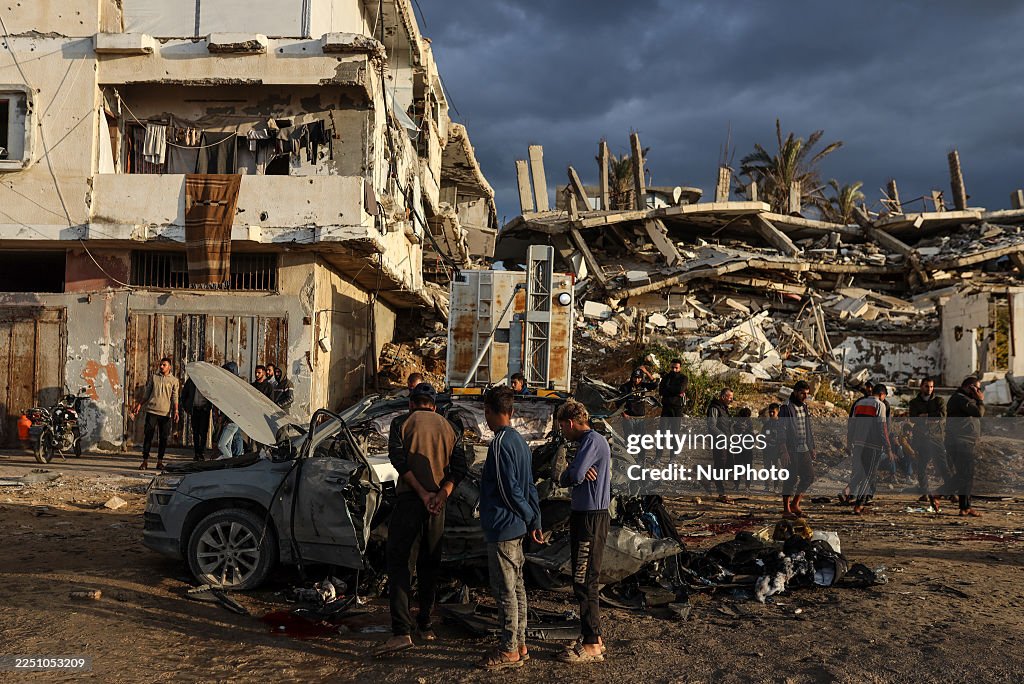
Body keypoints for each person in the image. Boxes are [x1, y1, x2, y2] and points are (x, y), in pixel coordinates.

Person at [375, 383, 468, 658]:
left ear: (411, 403)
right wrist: (439, 496)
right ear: (434, 405)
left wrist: (423, 494)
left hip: (410, 503)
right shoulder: (450, 427)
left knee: (401, 565)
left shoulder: (401, 422)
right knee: (430, 566)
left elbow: (398, 462)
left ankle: (401, 632)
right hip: (437, 508)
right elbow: (459, 468)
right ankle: (426, 624)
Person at [476, 387, 544, 670]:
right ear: (512, 411)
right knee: (517, 587)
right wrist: (535, 519)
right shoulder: (520, 442)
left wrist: (530, 517)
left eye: (487, 413)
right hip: (515, 527)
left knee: (505, 589)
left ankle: (509, 649)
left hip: (504, 526)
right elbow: (529, 486)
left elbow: (509, 490)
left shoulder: (501, 443)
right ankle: (520, 643)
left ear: (489, 412)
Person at [556, 399, 610, 665]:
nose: (562, 433)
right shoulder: (589, 443)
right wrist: (573, 474)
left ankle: (590, 643)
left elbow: (572, 476)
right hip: (588, 516)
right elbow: (571, 476)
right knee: (586, 577)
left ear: (568, 423)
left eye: (562, 428)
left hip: (590, 518)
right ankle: (595, 638)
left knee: (584, 579)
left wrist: (572, 472)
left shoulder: (591, 441)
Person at [847, 384, 894, 516]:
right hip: (873, 446)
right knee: (870, 475)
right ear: (882, 394)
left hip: (858, 445)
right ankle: (859, 505)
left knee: (860, 473)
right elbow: (882, 429)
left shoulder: (859, 403)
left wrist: (848, 442)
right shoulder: (881, 405)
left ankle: (848, 494)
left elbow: (852, 425)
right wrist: (889, 448)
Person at [132, 357, 179, 471]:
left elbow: (175, 397)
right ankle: (145, 461)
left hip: (165, 413)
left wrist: (176, 411)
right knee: (148, 436)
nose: (161, 367)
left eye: (164, 365)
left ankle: (160, 461)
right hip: (152, 411)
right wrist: (139, 405)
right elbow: (147, 393)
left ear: (169, 367)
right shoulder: (154, 377)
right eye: (161, 365)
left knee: (163, 438)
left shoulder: (174, 380)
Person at [908, 376, 948, 511]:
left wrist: (923, 416)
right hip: (921, 439)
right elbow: (913, 418)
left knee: (943, 466)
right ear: (921, 387)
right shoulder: (914, 402)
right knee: (921, 466)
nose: (929, 389)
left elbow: (941, 416)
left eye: (931, 386)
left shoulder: (939, 400)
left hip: (936, 438)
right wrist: (931, 417)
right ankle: (924, 492)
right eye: (926, 386)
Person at [946, 376, 984, 517]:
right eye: (977, 388)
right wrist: (980, 399)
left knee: (966, 475)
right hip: (959, 443)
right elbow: (979, 412)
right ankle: (938, 493)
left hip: (964, 442)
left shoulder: (964, 399)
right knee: (964, 474)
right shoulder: (959, 399)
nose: (979, 391)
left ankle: (965, 507)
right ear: (971, 387)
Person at [778, 380, 816, 518]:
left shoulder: (804, 407)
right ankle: (786, 509)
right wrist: (783, 451)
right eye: (802, 393)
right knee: (791, 479)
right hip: (791, 449)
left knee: (809, 476)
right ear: (795, 392)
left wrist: (812, 447)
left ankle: (795, 504)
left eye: (806, 394)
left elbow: (808, 428)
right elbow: (781, 430)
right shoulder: (786, 408)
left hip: (804, 448)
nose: (805, 396)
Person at [706, 388, 734, 502]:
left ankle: (709, 479)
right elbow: (711, 426)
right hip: (719, 442)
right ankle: (721, 493)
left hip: (726, 442)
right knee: (720, 466)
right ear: (723, 397)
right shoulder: (714, 408)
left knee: (727, 464)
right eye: (730, 397)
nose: (731, 400)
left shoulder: (724, 409)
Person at [216, 361, 245, 459]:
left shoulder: (236, 387)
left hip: (232, 420)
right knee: (228, 444)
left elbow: (235, 405)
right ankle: (231, 461)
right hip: (228, 420)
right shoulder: (228, 385)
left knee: (222, 445)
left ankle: (231, 460)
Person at [180, 374, 211, 461]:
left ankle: (201, 452)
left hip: (204, 410)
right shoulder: (191, 381)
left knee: (203, 432)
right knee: (196, 432)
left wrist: (209, 407)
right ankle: (197, 453)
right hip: (195, 409)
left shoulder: (207, 381)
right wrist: (186, 407)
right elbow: (184, 394)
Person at [761, 403, 782, 492]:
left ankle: (776, 487)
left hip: (777, 451)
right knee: (767, 468)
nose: (771, 414)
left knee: (776, 469)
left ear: (777, 412)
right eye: (770, 412)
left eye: (773, 412)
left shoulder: (781, 424)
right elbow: (761, 436)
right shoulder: (767, 424)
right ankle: (767, 486)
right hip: (767, 450)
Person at [734, 407, 754, 492]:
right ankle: (737, 485)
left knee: (747, 468)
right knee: (738, 467)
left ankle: (746, 486)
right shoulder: (736, 424)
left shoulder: (749, 423)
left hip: (746, 448)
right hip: (740, 447)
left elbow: (752, 435)